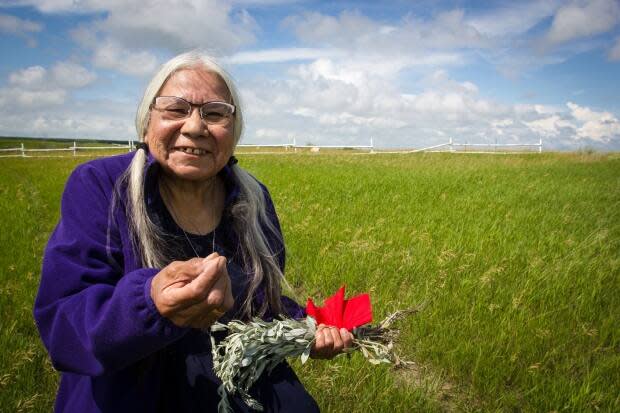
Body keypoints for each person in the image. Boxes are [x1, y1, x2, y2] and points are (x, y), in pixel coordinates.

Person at [34, 51, 352, 412]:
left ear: (234, 131)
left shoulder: (254, 197)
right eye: (176, 109)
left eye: (215, 113)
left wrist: (307, 329)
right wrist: (149, 303)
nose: (196, 126)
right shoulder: (102, 187)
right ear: (146, 122)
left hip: (241, 387)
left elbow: (259, 304)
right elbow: (64, 329)